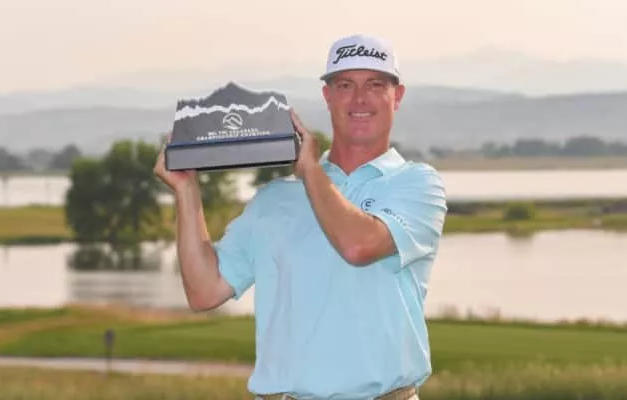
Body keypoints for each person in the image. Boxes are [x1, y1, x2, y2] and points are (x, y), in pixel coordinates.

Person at [154, 33, 448, 400]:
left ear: (397, 96)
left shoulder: (417, 185)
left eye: (375, 85)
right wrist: (186, 192)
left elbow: (358, 246)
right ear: (328, 96)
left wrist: (310, 170)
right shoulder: (274, 200)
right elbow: (204, 290)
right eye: (345, 85)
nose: (360, 98)